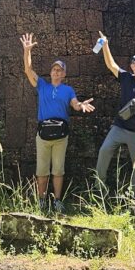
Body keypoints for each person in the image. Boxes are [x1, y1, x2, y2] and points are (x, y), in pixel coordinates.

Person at [20, 33, 95, 214]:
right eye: (54, 70)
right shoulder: (42, 86)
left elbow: (74, 104)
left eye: (59, 70)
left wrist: (81, 106)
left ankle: (58, 200)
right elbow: (28, 70)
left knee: (58, 170)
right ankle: (42, 200)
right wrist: (27, 51)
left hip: (61, 136)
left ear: (64, 74)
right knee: (42, 170)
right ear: (50, 72)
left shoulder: (68, 90)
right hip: (43, 135)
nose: (56, 72)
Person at [94, 32, 135, 199]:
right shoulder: (126, 78)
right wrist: (105, 45)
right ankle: (99, 190)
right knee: (104, 151)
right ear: (131, 67)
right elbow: (111, 64)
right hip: (120, 127)